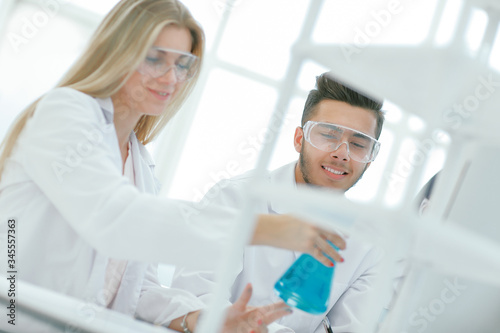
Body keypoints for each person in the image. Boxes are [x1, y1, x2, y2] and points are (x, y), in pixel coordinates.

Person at [0, 1, 345, 332]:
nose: (171, 78)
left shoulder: (140, 164)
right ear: (116, 51)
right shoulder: (65, 112)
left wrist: (201, 318)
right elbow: (115, 219)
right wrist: (265, 228)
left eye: (182, 65)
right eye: (154, 58)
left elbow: (138, 286)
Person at [172, 72, 386, 332]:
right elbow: (195, 297)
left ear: (371, 157)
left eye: (358, 144)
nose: (342, 153)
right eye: (329, 135)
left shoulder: (369, 246)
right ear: (299, 139)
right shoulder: (236, 198)